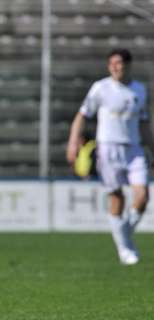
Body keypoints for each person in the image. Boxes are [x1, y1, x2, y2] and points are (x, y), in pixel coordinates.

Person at [67, 48, 154, 265]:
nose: (114, 67)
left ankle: (123, 235)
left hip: (134, 149)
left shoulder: (139, 90)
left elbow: (144, 125)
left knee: (142, 196)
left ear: (128, 65)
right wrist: (73, 141)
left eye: (118, 63)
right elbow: (82, 115)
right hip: (108, 148)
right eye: (111, 63)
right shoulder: (101, 88)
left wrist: (152, 147)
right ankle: (125, 248)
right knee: (117, 197)